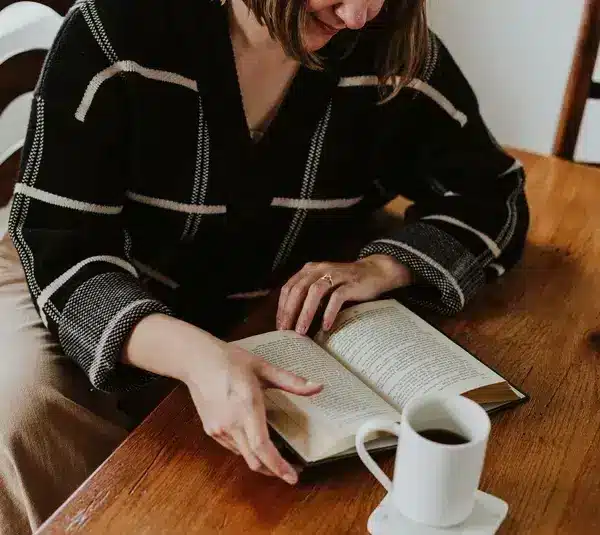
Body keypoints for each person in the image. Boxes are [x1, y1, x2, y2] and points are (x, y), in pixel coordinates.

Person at [0, 0, 529, 533]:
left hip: (267, 302)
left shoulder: (394, 48)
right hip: (92, 275)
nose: (361, 13)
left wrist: (390, 266)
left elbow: (492, 193)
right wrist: (193, 355)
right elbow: (59, 242)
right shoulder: (114, 28)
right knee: (23, 411)